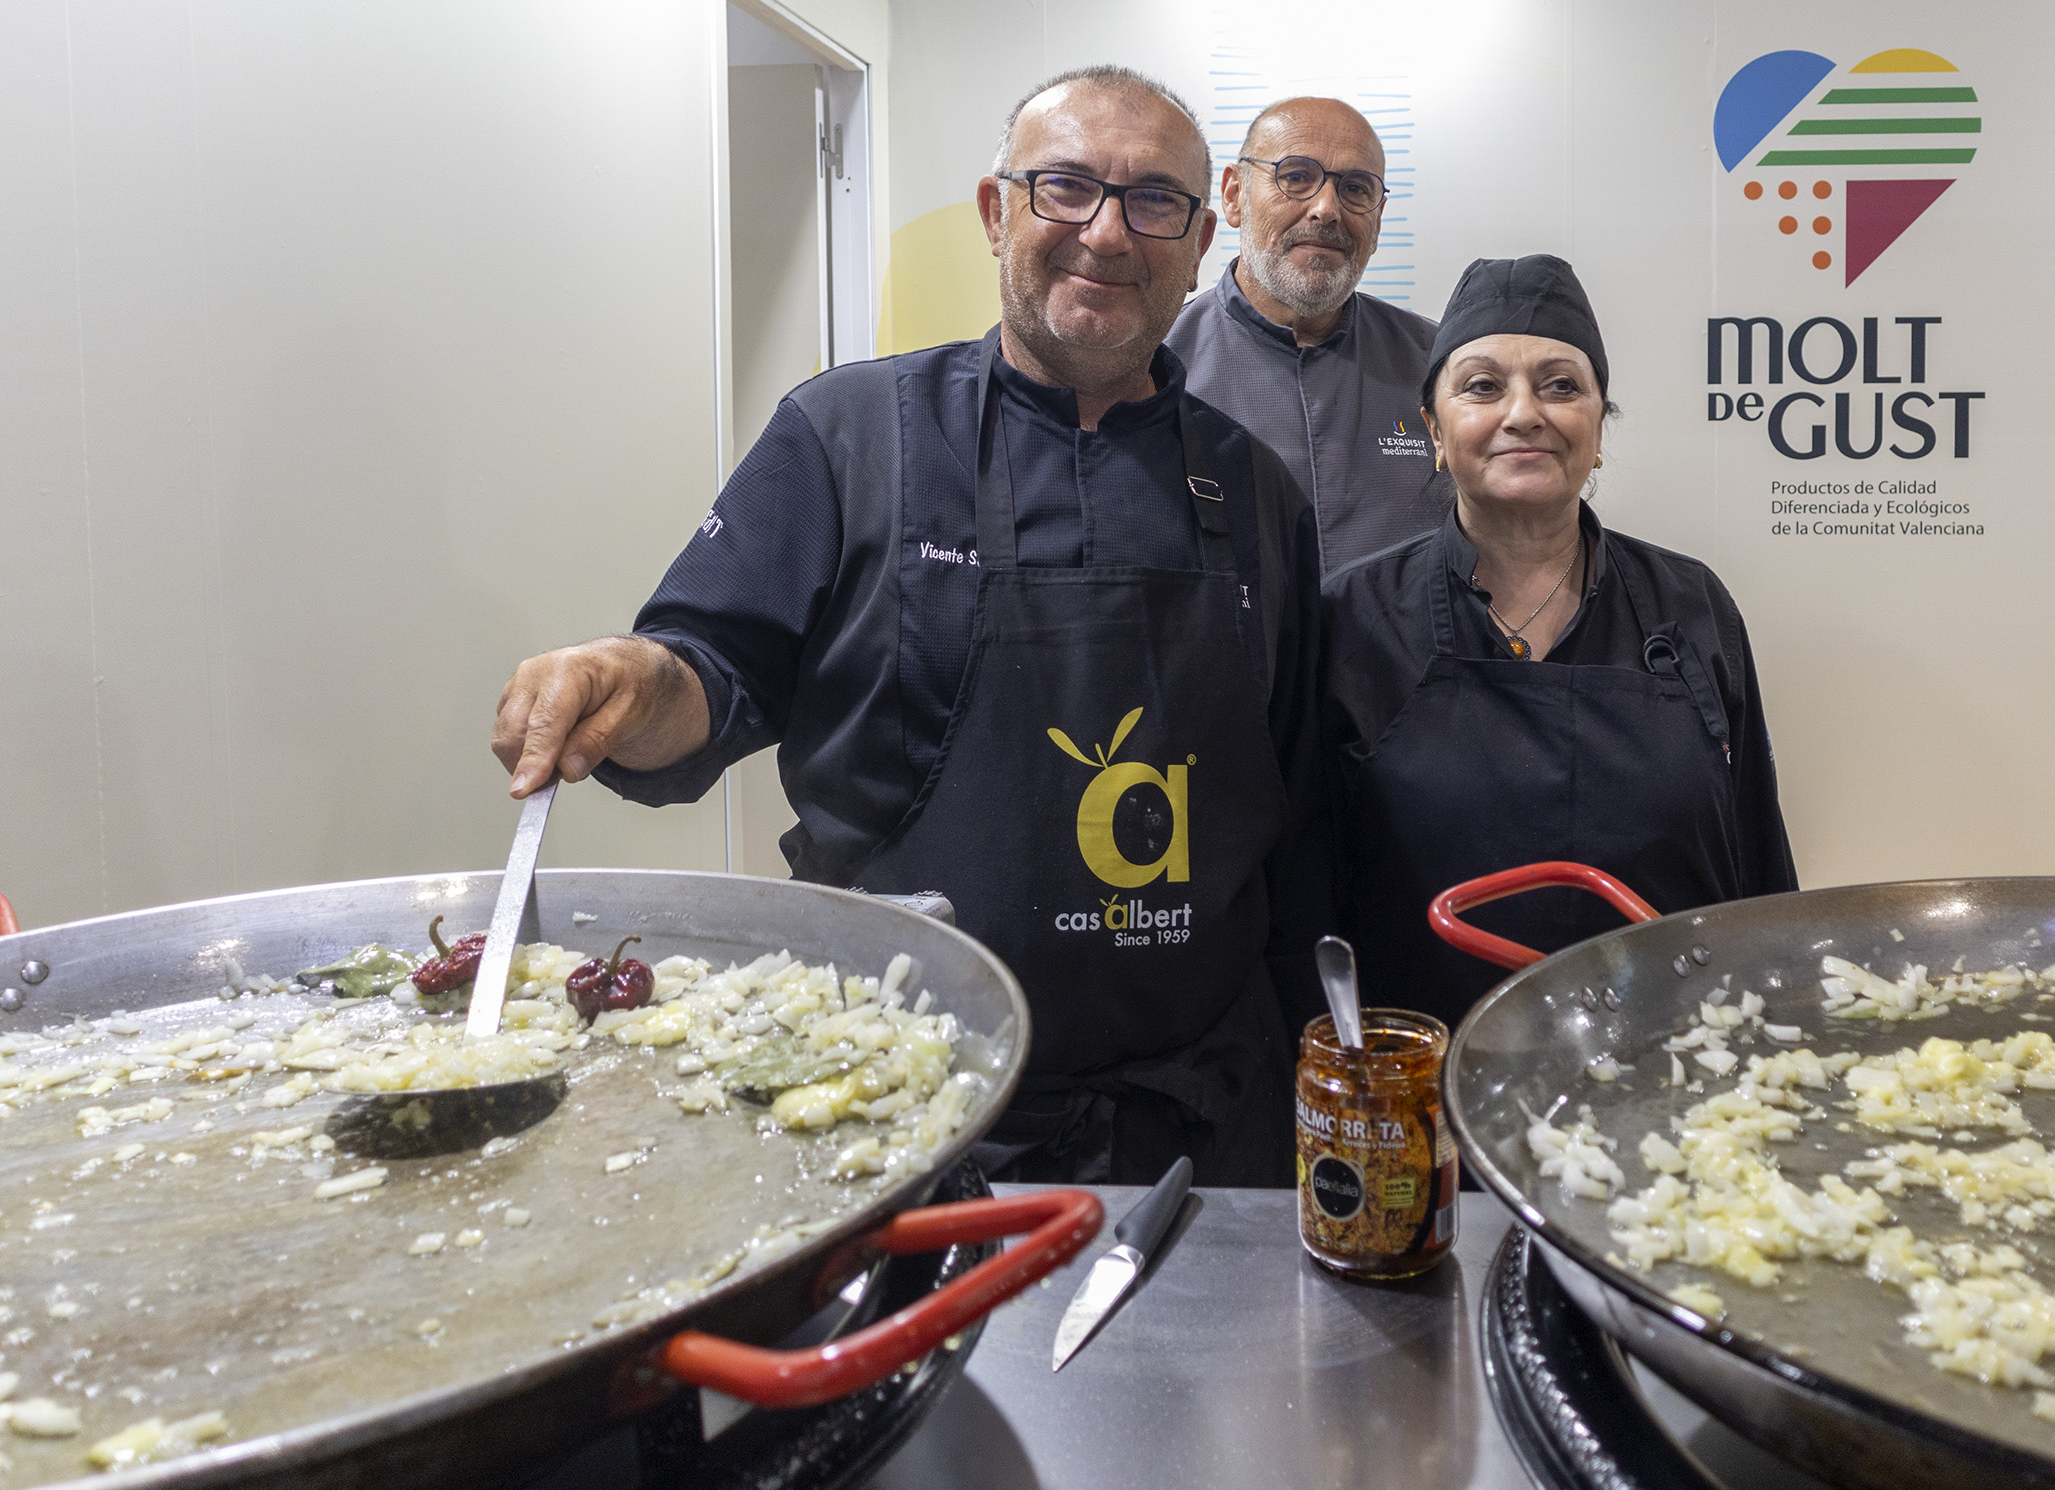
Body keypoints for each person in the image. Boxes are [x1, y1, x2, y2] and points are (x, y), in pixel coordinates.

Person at [490, 66, 1326, 1189]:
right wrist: (629, 680)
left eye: (1152, 202)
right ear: (998, 211)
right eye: (1065, 187)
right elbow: (710, 676)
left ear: (1197, 239)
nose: (1106, 232)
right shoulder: (849, 435)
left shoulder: (1254, 490)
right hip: (899, 1102)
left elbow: (1292, 814)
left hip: (1201, 1123)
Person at [1319, 255, 1796, 1028]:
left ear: (1599, 427)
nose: (1524, 412)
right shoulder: (1352, 617)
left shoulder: (1692, 603)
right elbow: (1311, 892)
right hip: (1429, 1088)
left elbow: (1757, 862)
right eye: (1482, 386)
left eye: (1561, 385)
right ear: (1435, 430)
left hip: (1674, 1083)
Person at [1165, 97, 1444, 576]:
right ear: (1233, 195)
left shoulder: (1439, 367)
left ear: (1377, 221)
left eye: (1356, 189)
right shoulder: (1156, 368)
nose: (1326, 209)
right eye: (1295, 177)